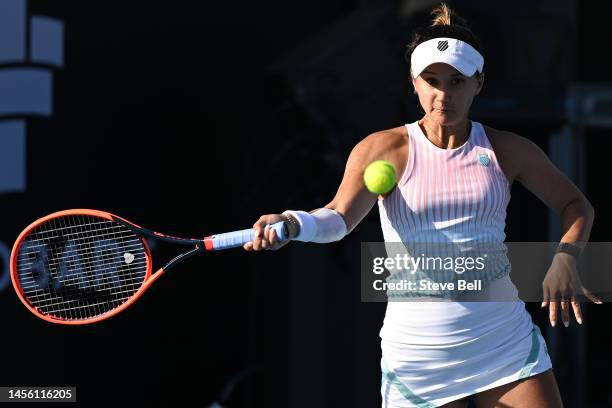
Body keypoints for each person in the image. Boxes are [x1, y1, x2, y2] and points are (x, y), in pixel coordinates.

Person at [244, 3, 600, 407]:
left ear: (479, 84)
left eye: (457, 81)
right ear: (414, 82)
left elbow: (576, 204)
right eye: (431, 80)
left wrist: (566, 257)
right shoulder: (383, 148)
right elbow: (339, 218)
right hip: (418, 356)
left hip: (503, 341)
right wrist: (293, 223)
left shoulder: (507, 149)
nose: (443, 94)